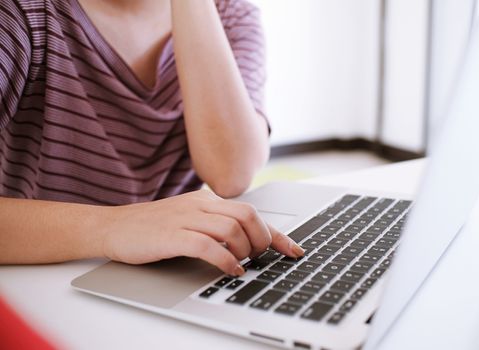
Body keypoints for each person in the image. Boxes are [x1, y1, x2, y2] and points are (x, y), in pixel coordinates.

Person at [0, 0, 305, 276]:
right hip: (46, 278)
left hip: (169, 275)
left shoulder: (230, 16)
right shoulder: (19, 14)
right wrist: (113, 227)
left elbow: (231, 174)